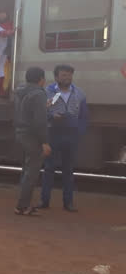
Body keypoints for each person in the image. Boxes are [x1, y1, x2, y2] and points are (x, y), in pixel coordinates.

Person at [40, 64, 88, 212]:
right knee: (49, 169)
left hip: (71, 135)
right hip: (53, 133)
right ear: (56, 77)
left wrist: (79, 132)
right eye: (63, 75)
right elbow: (41, 112)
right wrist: (51, 116)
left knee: (68, 170)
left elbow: (84, 116)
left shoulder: (79, 94)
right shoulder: (48, 92)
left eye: (69, 75)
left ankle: (68, 203)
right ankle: (44, 201)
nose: (67, 78)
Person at [14, 67, 52, 216]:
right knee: (32, 172)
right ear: (41, 79)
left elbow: (25, 112)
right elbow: (40, 121)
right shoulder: (39, 94)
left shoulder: (21, 91)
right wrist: (45, 142)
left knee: (26, 170)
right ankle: (22, 206)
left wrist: (44, 107)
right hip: (32, 136)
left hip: (21, 133)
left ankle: (23, 204)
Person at [0, 10, 15, 97]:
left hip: (7, 52)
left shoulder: (11, 23)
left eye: (3, 12)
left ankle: (4, 92)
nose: (1, 15)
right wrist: (8, 32)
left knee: (5, 72)